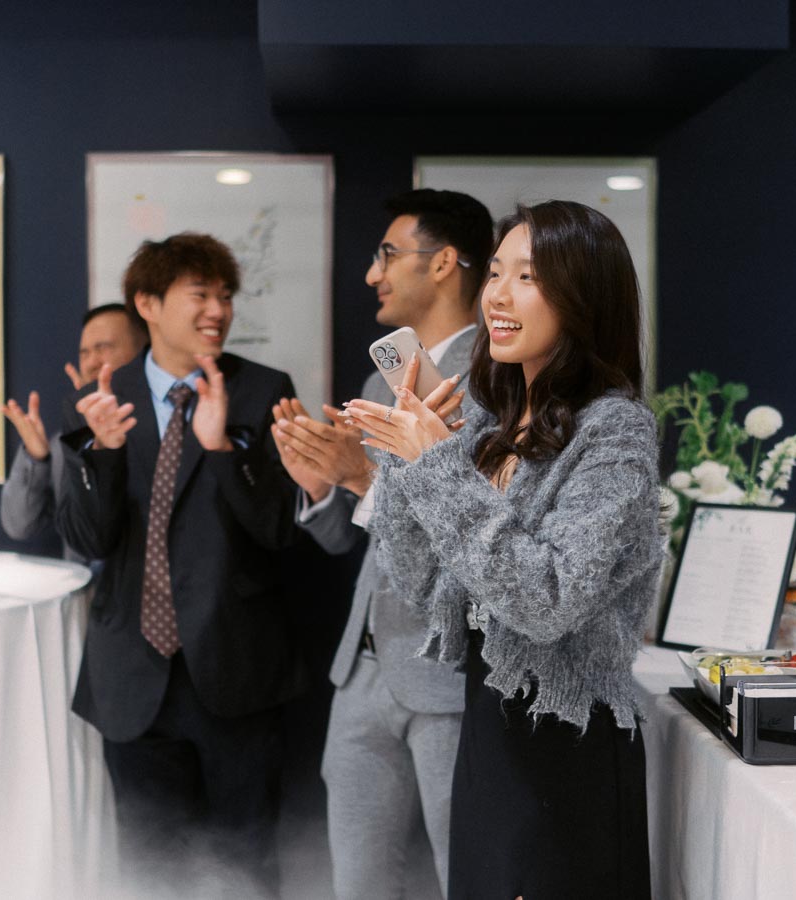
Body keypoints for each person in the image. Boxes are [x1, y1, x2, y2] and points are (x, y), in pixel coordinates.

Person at [344, 201, 662, 898]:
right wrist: (404, 461)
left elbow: (547, 602)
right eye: (495, 272)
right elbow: (432, 590)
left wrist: (440, 470)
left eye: (528, 276)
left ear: (582, 296)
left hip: (568, 746)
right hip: (490, 734)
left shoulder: (615, 431)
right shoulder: (493, 422)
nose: (498, 294)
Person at [56, 233, 304, 897]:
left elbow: (279, 528)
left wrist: (222, 449)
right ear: (149, 303)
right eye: (200, 295)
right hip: (132, 679)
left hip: (237, 674)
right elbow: (88, 539)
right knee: (148, 871)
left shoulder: (264, 390)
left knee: (248, 868)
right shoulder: (107, 395)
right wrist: (102, 454)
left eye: (225, 296)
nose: (217, 311)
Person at [270, 189, 493, 898]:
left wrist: (364, 476)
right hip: (362, 671)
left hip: (451, 675)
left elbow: (482, 537)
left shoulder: (503, 382)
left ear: (445, 264)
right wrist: (320, 487)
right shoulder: (379, 376)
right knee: (358, 885)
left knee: (470, 878)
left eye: (388, 255)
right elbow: (353, 542)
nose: (373, 274)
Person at [0, 303, 146, 564]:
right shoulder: (67, 442)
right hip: (85, 598)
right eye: (85, 352)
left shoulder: (162, 435)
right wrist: (37, 458)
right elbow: (18, 525)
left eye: (103, 348)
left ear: (142, 351)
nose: (91, 362)